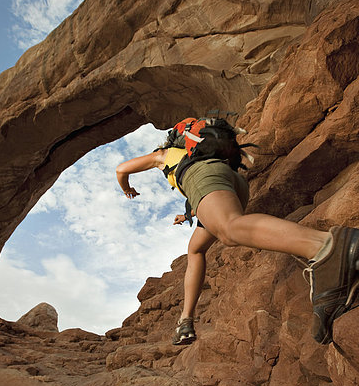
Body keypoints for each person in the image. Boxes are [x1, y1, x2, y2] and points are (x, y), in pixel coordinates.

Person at [116, 131, 359, 346]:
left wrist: (126, 188)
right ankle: (185, 321)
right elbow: (209, 183)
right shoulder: (194, 155)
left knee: (229, 228)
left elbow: (122, 169)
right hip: (231, 183)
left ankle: (328, 248)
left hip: (203, 178)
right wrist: (188, 214)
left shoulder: (163, 154)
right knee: (196, 248)